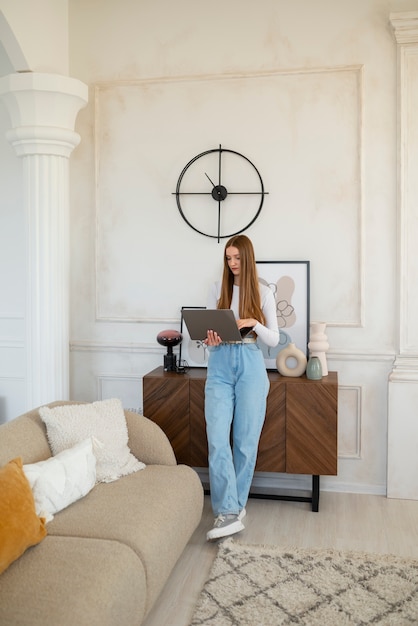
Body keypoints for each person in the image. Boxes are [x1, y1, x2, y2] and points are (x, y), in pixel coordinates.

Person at [204, 235, 280, 541]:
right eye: (228, 258)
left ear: (247, 258)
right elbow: (208, 334)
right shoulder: (216, 289)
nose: (232, 264)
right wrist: (210, 340)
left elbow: (274, 339)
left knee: (245, 442)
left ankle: (231, 509)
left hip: (250, 363)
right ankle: (229, 511)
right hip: (220, 363)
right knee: (218, 438)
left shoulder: (263, 292)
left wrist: (251, 321)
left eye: (236, 258)